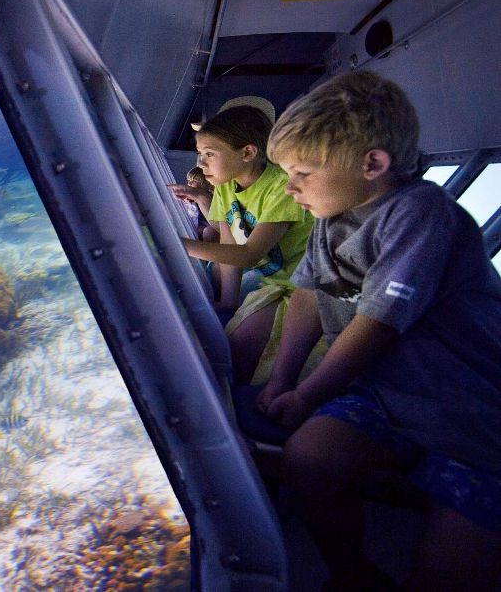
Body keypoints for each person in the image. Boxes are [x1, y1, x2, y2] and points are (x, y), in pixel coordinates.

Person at [258, 70, 501, 590]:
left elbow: (378, 325)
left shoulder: (420, 213)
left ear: (372, 164)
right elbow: (308, 293)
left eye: (301, 171)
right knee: (308, 461)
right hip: (388, 396)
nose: (289, 186)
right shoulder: (333, 210)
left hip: (472, 413)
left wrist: (308, 395)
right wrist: (284, 379)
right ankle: (353, 575)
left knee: (443, 574)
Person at [173, 101, 315, 384]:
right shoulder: (225, 185)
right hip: (274, 284)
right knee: (235, 350)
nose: (201, 164)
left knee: (254, 356)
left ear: (248, 152)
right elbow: (229, 246)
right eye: (200, 154)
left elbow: (249, 255)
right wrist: (227, 303)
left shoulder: (281, 187)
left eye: (209, 154)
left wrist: (177, 243)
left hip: (305, 289)